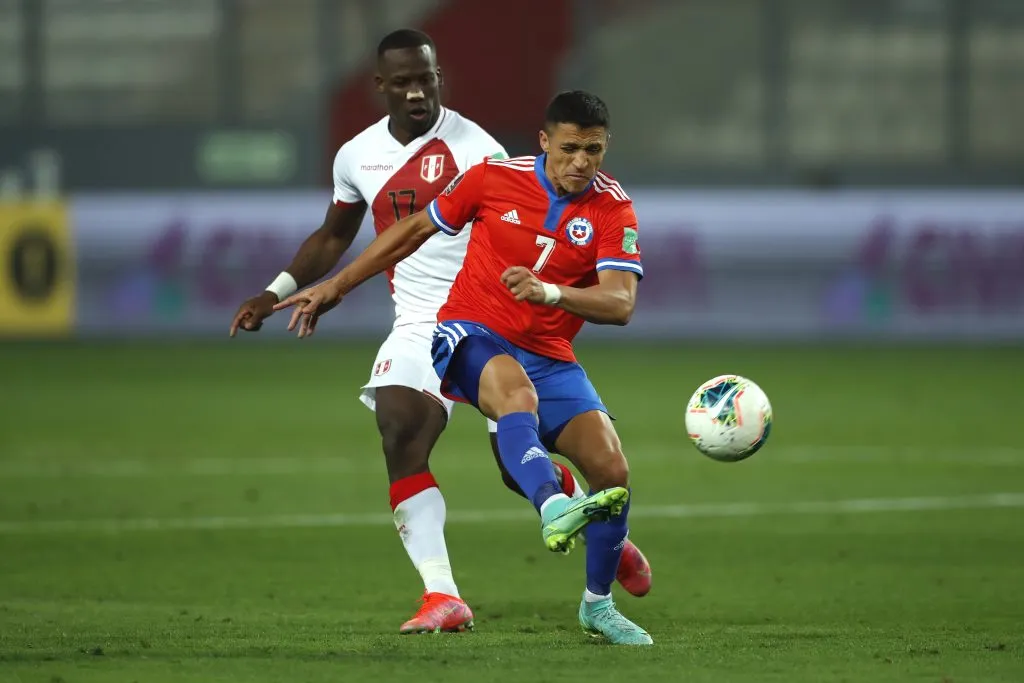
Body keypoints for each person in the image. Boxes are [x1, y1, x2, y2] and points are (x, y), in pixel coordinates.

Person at [228, 31, 650, 635]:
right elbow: (340, 234)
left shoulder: (478, 149)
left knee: (524, 458)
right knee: (402, 428)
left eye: (426, 78)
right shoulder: (358, 155)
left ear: (439, 78)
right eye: (403, 81)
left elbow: (569, 259)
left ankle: (597, 536)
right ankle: (443, 593)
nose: (417, 91)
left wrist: (548, 291)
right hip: (440, 321)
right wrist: (281, 291)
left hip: (506, 317)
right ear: (381, 86)